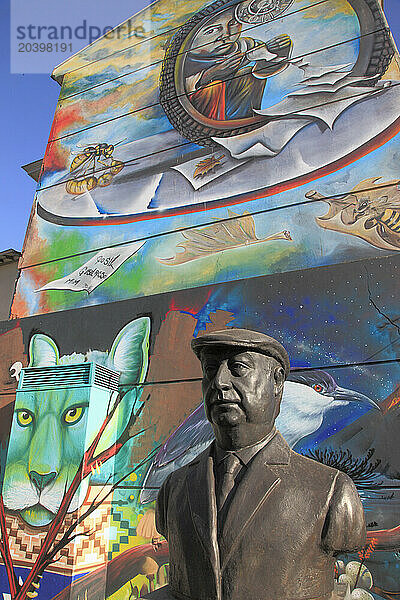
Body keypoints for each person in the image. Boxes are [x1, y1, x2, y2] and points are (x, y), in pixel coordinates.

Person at [151, 329, 366, 600]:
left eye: (238, 368)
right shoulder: (174, 487)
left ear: (277, 382)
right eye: (210, 370)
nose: (219, 382)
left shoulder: (332, 491)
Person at [184, 6, 292, 120]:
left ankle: (244, 119)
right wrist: (211, 74)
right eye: (211, 31)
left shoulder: (245, 46)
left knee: (247, 75)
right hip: (205, 111)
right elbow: (181, 88)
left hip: (233, 105)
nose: (227, 35)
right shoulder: (186, 62)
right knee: (213, 88)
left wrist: (275, 51)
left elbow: (263, 70)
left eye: (233, 23)